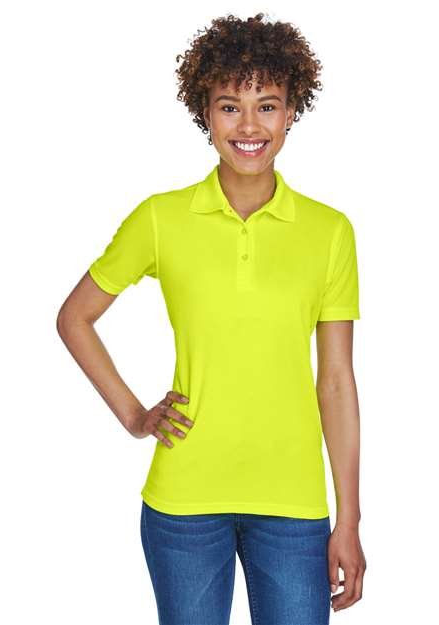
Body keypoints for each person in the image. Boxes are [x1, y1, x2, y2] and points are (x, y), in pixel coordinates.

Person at [57, 11, 367, 625]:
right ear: (205, 113)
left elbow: (335, 381)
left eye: (267, 106)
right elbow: (75, 318)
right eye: (230, 107)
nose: (249, 126)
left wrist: (349, 519)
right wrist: (134, 416)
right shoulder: (160, 218)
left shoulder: (330, 232)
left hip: (293, 505)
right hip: (184, 503)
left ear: (291, 111)